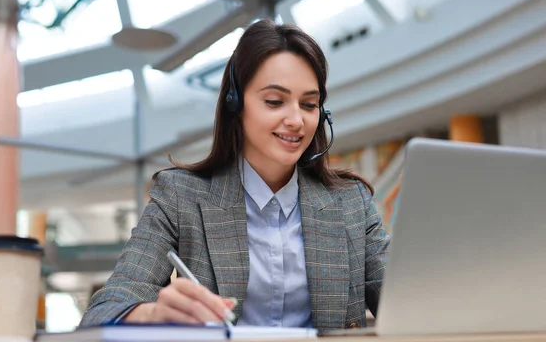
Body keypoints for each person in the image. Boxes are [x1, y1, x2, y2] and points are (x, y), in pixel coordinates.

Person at [79, 19, 390, 331]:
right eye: (274, 101)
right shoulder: (180, 196)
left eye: (309, 104)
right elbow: (102, 312)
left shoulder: (350, 203)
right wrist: (152, 315)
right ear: (236, 104)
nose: (296, 120)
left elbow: (405, 300)